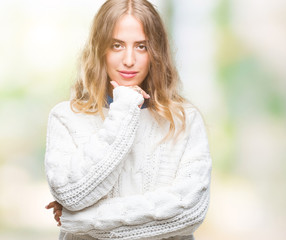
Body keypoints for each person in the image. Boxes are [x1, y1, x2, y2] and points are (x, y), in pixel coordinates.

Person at [43, 0, 212, 239]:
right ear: (100, 48)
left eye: (141, 46)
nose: (129, 60)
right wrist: (123, 111)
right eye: (117, 45)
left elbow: (188, 211)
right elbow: (72, 194)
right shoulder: (66, 117)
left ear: (156, 53)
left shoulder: (184, 120)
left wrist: (79, 219)